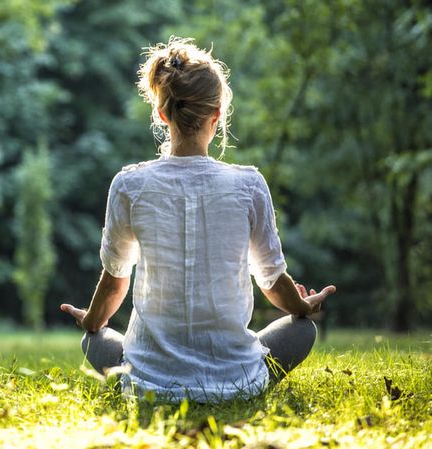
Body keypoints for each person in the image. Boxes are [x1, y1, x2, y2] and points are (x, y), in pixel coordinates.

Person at [59, 37, 336, 402]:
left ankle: (146, 373)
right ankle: (240, 383)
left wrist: (92, 321)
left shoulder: (129, 184)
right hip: (236, 381)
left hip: (148, 385)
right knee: (302, 332)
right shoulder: (248, 184)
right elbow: (271, 281)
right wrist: (303, 307)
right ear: (217, 114)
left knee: (92, 339)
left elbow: (114, 283)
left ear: (162, 114)